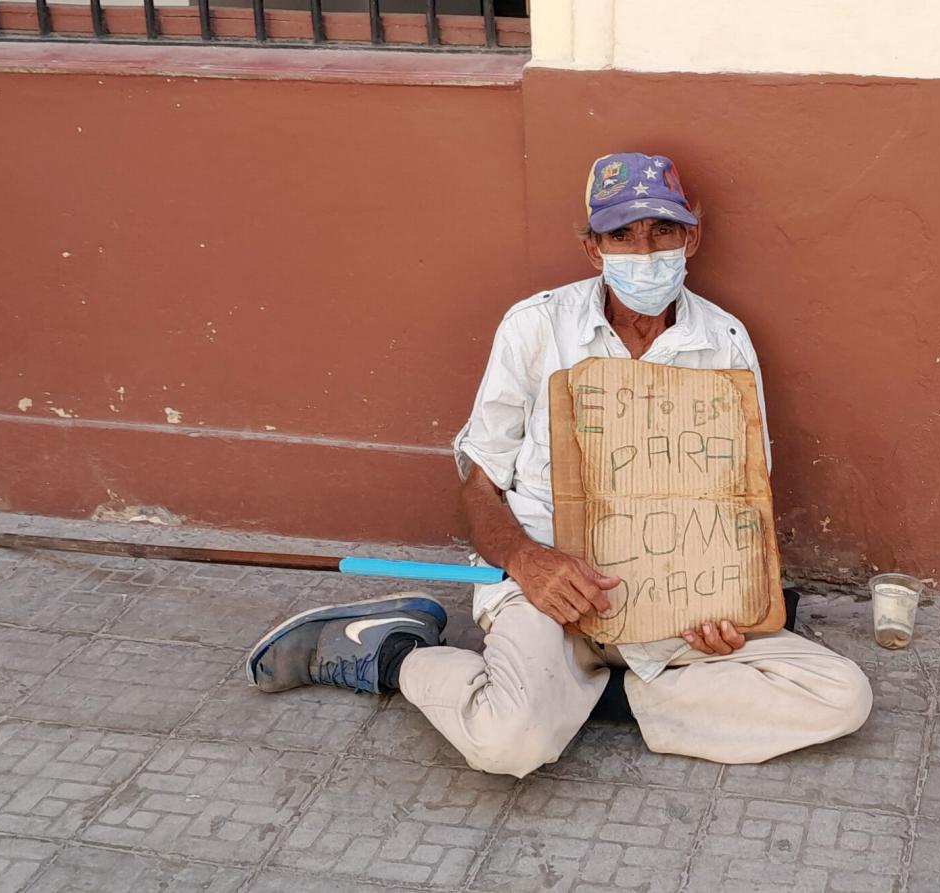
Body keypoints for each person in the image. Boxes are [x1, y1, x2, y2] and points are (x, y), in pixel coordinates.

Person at [246, 152, 872, 777]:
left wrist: (728, 609)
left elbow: (739, 506)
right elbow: (479, 486)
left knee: (840, 697)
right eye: (620, 235)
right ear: (592, 248)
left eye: (662, 231)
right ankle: (392, 651)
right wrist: (527, 561)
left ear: (692, 237)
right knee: (508, 745)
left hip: (675, 601)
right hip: (550, 591)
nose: (644, 251)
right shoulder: (536, 326)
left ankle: (585, 700)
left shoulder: (725, 343)